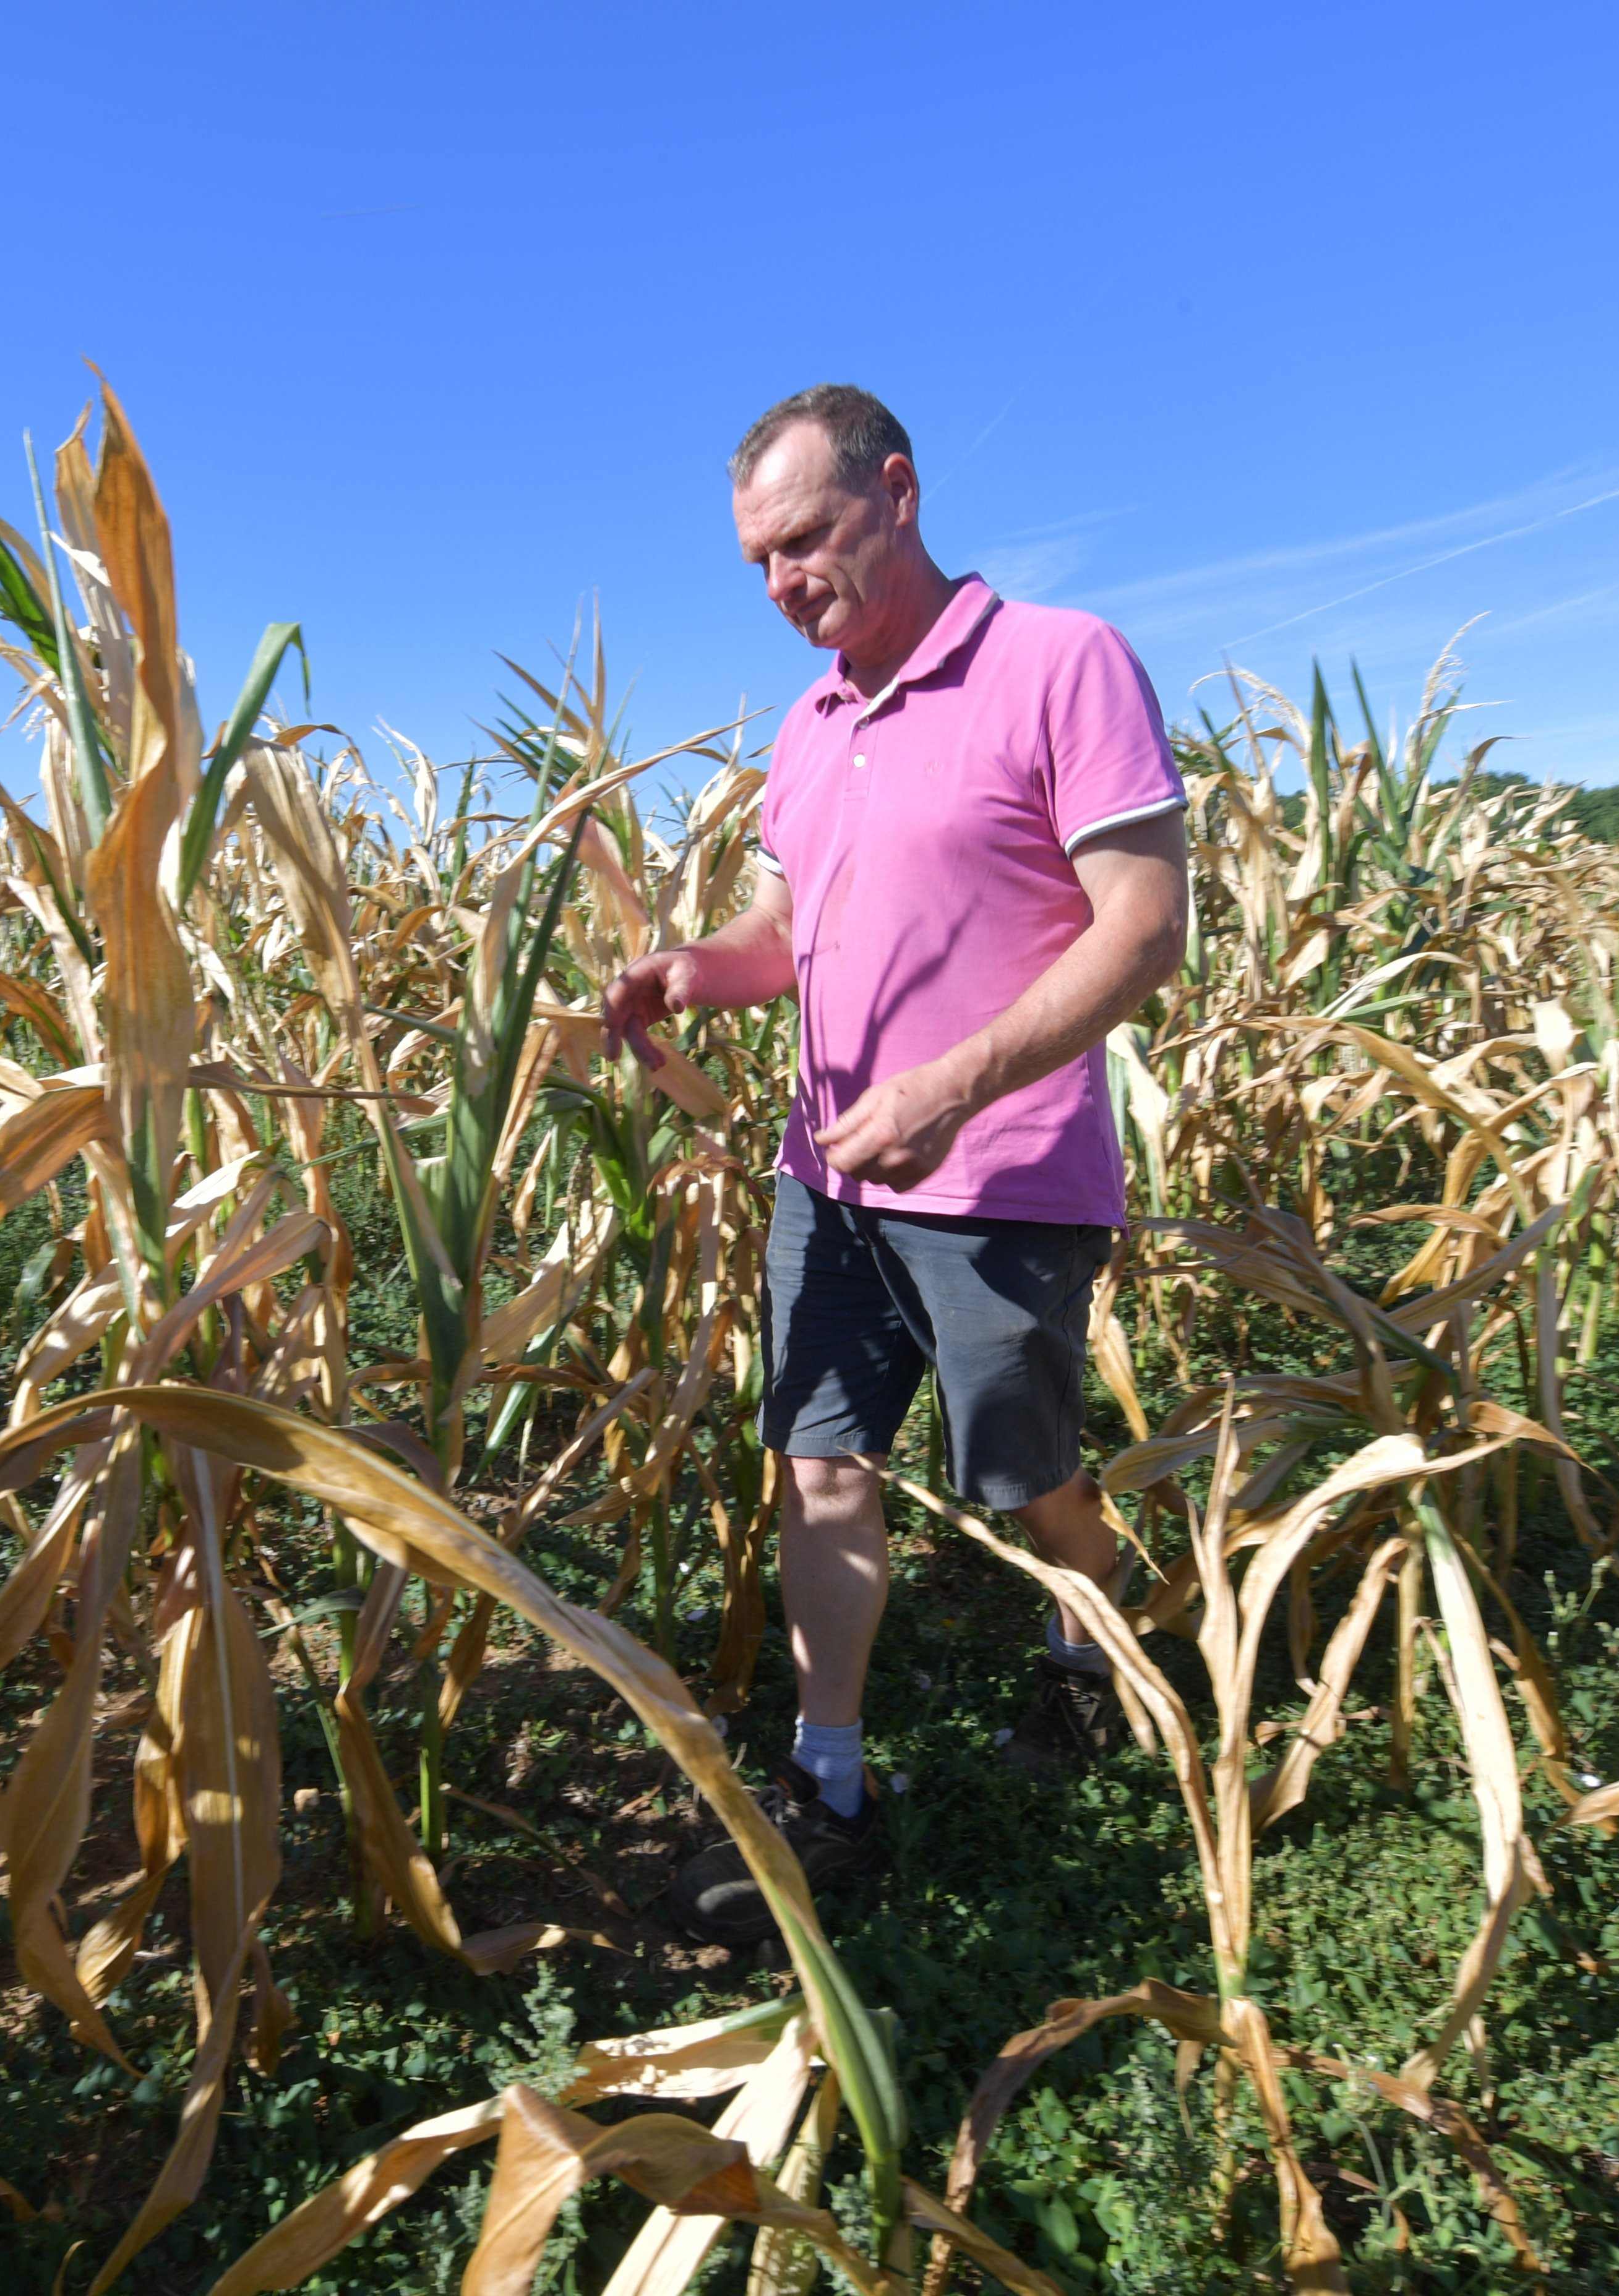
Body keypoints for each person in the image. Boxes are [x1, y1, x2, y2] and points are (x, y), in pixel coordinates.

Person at [599, 383, 1192, 1947]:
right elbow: (790, 937)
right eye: (757, 561)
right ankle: (832, 1780)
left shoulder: (1062, 664)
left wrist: (953, 1085)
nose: (784, 581)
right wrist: (688, 970)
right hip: (830, 1177)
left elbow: (1143, 927)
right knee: (821, 1462)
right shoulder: (809, 729)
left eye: (805, 538)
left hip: (1001, 1179)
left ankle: (1099, 1653)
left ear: (900, 492)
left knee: (1028, 1475)